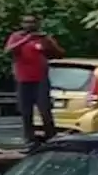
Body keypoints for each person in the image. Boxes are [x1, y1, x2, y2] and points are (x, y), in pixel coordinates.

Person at [5, 14, 64, 149]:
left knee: (45, 110)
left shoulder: (42, 38)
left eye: (32, 22)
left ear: (37, 24)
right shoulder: (17, 37)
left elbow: (59, 53)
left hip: (40, 80)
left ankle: (51, 137)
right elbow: (8, 50)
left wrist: (48, 42)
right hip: (23, 80)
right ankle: (30, 139)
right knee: (26, 111)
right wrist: (26, 39)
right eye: (26, 22)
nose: (29, 25)